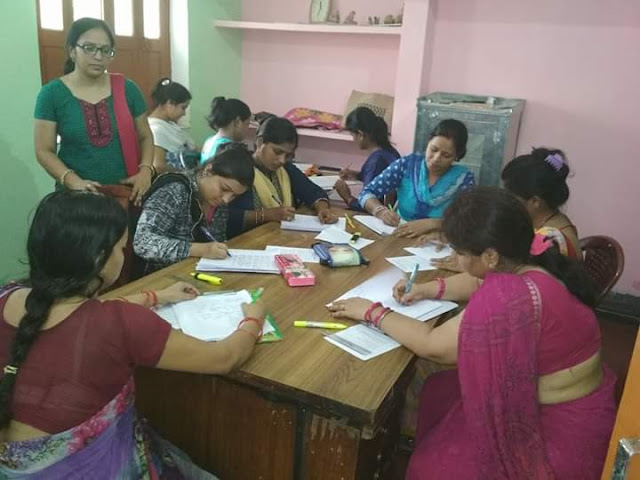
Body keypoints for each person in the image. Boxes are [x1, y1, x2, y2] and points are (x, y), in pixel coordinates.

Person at [328, 187, 616, 480]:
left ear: (490, 256)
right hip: (561, 391)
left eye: (461, 252)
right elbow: (476, 281)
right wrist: (427, 289)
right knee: (439, 391)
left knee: (432, 469)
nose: (456, 258)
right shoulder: (526, 256)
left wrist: (372, 312)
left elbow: (433, 345)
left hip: (556, 424)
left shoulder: (509, 297)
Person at [0, 191, 266, 478]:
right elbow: (224, 358)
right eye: (122, 248)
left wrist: (157, 295)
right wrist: (254, 317)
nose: (123, 255)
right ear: (100, 258)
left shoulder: (8, 295)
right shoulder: (122, 323)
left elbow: (83, 314)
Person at [34, 17, 154, 206]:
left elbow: (145, 136)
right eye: (89, 48)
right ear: (72, 51)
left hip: (126, 197)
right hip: (76, 199)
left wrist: (146, 170)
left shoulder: (127, 89)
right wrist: (72, 181)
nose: (98, 57)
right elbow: (44, 150)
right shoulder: (52, 94)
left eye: (105, 50)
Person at [134, 143, 254, 274]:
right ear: (208, 170)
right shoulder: (174, 190)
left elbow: (216, 240)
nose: (226, 199)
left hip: (195, 273)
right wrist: (198, 250)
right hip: (160, 277)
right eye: (224, 189)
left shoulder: (217, 202)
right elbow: (142, 242)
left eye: (234, 196)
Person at [358, 119, 475, 237]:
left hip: (437, 240)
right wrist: (379, 211)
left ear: (457, 156)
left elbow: (469, 220)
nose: (436, 159)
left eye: (446, 155)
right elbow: (366, 193)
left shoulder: (463, 179)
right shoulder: (407, 165)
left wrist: (434, 223)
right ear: (428, 142)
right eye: (433, 149)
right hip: (400, 234)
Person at [227, 117, 338, 237]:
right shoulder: (239, 171)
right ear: (259, 143)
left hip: (280, 236)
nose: (282, 160)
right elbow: (226, 217)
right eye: (277, 152)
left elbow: (313, 192)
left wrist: (322, 208)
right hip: (248, 240)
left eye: (288, 155)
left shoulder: (286, 169)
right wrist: (266, 215)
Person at [502, 147, 580, 259]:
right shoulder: (552, 220)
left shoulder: (550, 241)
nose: (507, 202)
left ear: (535, 201)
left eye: (511, 197)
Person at [334, 106, 400, 210]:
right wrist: (356, 175)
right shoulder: (390, 151)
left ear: (360, 135)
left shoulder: (376, 161)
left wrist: (347, 197)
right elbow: (379, 178)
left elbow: (371, 207)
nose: (353, 140)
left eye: (353, 135)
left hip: (381, 214)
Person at [148, 77, 198, 173]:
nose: (184, 113)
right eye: (183, 108)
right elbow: (158, 166)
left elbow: (192, 147)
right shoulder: (155, 130)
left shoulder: (170, 124)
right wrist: (186, 173)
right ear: (170, 103)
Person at [200, 97, 251, 162]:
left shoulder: (209, 141)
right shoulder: (230, 149)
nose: (248, 129)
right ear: (237, 122)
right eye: (247, 124)